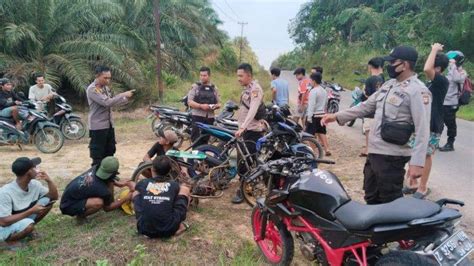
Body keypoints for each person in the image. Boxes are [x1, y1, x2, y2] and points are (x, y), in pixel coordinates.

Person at [321, 45, 431, 204]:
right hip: (375, 153)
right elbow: (365, 106)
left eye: (393, 62)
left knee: (390, 201)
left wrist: (417, 163)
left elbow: (423, 128)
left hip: (393, 156)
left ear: (405, 65)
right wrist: (337, 116)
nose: (389, 66)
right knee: (371, 196)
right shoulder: (389, 85)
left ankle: (395, 229)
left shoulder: (418, 91)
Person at [404, 43, 449, 199]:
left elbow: (426, 69)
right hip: (422, 123)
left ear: (438, 68)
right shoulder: (431, 83)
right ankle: (413, 183)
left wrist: (434, 49)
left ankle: (422, 188)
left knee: (426, 155)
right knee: (414, 150)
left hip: (433, 124)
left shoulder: (442, 81)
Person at [60, 156, 135, 224]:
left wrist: (119, 184)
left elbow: (109, 179)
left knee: (108, 187)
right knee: (98, 203)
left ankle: (107, 201)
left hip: (69, 196)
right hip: (68, 206)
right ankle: (80, 217)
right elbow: (107, 209)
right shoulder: (102, 190)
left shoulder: (96, 168)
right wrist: (126, 198)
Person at [0, 157, 58, 245]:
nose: (38, 169)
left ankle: (25, 230)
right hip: (4, 227)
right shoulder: (5, 192)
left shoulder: (34, 184)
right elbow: (3, 222)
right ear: (29, 172)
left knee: (47, 201)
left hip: (20, 219)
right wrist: (31, 211)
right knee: (29, 226)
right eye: (34, 167)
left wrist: (49, 181)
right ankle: (9, 241)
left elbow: (53, 197)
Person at [87, 66, 134, 166]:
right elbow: (107, 103)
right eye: (105, 78)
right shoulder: (92, 89)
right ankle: (96, 177)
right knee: (98, 154)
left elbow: (112, 102)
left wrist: (125, 99)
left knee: (110, 150)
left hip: (109, 125)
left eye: (109, 78)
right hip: (98, 126)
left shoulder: (105, 88)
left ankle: (109, 175)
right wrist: (122, 95)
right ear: (97, 76)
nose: (108, 80)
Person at [133, 156, 191, 238]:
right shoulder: (174, 185)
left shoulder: (143, 183)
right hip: (169, 229)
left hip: (144, 229)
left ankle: (145, 219)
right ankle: (180, 225)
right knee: (185, 189)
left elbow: (136, 191)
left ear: (152, 169)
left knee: (135, 193)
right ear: (170, 171)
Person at [233, 63, 265, 204]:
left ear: (249, 75)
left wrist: (243, 127)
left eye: (241, 75)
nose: (238, 78)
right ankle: (246, 186)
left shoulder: (255, 89)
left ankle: (245, 190)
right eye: (238, 75)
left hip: (251, 132)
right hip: (244, 130)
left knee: (247, 162)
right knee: (243, 160)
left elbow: (252, 110)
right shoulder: (247, 89)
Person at [439, 51, 467, 152]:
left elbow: (456, 78)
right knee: (438, 123)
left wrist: (453, 66)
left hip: (451, 103)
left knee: (450, 123)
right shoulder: (448, 71)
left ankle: (450, 143)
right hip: (442, 101)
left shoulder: (461, 72)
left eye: (452, 60)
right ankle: (435, 141)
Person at [187, 67, 221, 147]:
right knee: (195, 139)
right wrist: (200, 106)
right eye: (201, 75)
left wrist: (215, 106)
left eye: (204, 75)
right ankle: (194, 157)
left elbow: (219, 103)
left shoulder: (214, 88)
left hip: (209, 117)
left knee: (205, 139)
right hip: (197, 116)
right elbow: (190, 102)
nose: (202, 77)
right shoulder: (195, 86)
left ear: (209, 76)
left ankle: (203, 158)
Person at [360, 57, 385, 157]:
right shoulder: (383, 79)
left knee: (368, 130)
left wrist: (364, 93)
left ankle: (368, 149)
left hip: (370, 109)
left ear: (371, 66)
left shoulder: (370, 79)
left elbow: (367, 94)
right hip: (380, 109)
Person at [305, 72, 331, 156]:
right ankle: (327, 149)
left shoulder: (313, 91)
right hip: (322, 114)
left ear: (314, 81)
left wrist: (309, 117)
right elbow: (326, 103)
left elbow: (311, 105)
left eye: (311, 80)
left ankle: (313, 151)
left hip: (314, 115)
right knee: (322, 132)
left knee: (310, 134)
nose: (310, 82)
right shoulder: (324, 91)